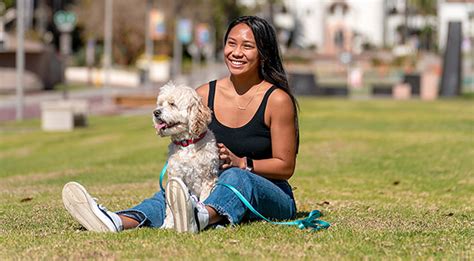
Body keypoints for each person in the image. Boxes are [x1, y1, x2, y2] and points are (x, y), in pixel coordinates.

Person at [62, 15, 299, 233]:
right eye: (231, 43)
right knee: (174, 191)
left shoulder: (277, 100)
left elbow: (285, 166)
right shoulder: (205, 94)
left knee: (235, 177)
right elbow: (184, 132)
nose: (236, 52)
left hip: (271, 194)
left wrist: (242, 163)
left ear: (263, 53)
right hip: (213, 187)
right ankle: (116, 221)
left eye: (247, 46)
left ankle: (201, 216)